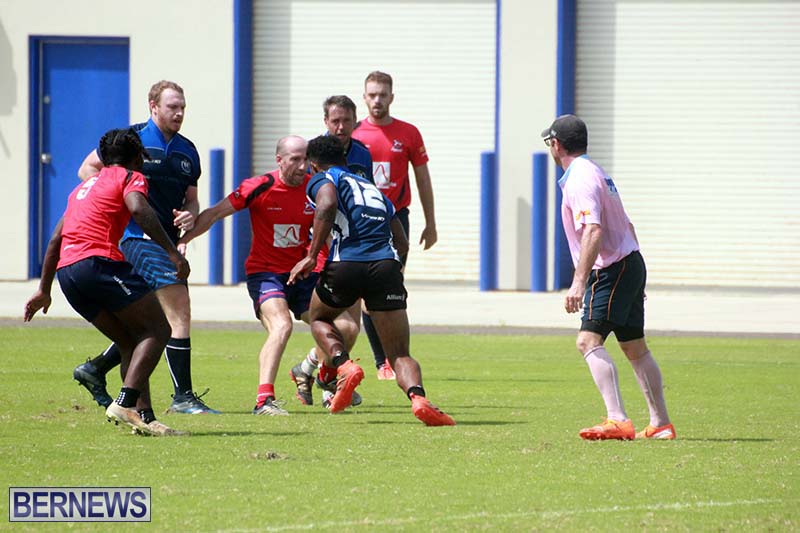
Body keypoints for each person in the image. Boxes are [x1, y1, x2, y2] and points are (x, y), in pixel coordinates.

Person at [24, 128, 190, 437]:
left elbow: (56, 239)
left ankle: (145, 418)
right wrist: (172, 254)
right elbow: (139, 208)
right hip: (98, 264)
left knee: (131, 341)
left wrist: (44, 290)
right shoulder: (129, 177)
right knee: (159, 330)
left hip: (69, 275)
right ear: (137, 157)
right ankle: (124, 403)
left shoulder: (84, 187)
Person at [178, 135, 360, 415]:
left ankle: (322, 375)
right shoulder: (259, 186)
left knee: (346, 327)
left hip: (302, 275)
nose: (302, 166)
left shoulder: (316, 188)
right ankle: (264, 401)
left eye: (306, 159)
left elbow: (328, 233)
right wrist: (183, 241)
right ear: (279, 160)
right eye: (295, 159)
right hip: (266, 274)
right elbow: (214, 213)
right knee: (282, 325)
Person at [71, 81, 219, 415]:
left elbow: (192, 201)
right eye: (172, 107)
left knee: (152, 320)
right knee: (179, 310)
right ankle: (182, 397)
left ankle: (96, 368)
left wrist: (189, 215)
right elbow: (87, 169)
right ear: (153, 106)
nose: (179, 113)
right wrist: (113, 203)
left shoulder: (187, 151)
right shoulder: (131, 140)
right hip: (136, 237)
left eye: (182, 107)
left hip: (165, 239)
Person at [289, 135, 455, 426]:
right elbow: (402, 242)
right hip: (386, 266)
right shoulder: (371, 187)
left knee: (318, 317)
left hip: (347, 263)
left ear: (313, 164)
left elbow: (327, 204)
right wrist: (389, 273)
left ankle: (344, 365)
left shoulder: (323, 178)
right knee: (399, 353)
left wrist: (312, 256)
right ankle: (418, 398)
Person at [542, 114, 675, 440]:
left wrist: (578, 282)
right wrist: (635, 279)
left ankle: (618, 420)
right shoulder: (596, 171)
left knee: (587, 341)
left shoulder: (580, 178)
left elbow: (594, 229)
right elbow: (627, 223)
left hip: (611, 267)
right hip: (629, 262)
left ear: (556, 145)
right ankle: (660, 424)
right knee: (635, 348)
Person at [288, 95, 385, 405]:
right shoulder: (314, 154)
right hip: (323, 248)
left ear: (355, 122)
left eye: (346, 121)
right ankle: (331, 387)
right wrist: (311, 248)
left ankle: (308, 369)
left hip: (351, 248)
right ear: (326, 122)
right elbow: (313, 202)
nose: (341, 127)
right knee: (337, 323)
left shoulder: (362, 154)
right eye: (335, 121)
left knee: (350, 328)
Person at [352, 71, 437, 381]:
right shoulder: (354, 133)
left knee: (390, 286)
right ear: (364, 97)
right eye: (372, 94)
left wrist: (431, 222)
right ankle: (383, 362)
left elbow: (422, 178)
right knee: (365, 291)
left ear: (391, 97)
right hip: (361, 221)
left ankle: (391, 358)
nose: (377, 100)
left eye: (383, 94)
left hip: (397, 219)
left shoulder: (408, 133)